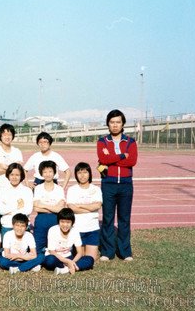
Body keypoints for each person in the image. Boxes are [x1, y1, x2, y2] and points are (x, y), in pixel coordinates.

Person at [97, 109, 138, 262]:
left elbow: (132, 161)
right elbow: (102, 158)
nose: (115, 125)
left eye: (118, 122)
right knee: (108, 218)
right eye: (112, 122)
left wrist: (111, 158)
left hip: (126, 184)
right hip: (108, 183)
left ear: (123, 124)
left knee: (124, 218)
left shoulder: (130, 142)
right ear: (108, 124)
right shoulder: (102, 141)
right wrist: (121, 156)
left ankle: (125, 251)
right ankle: (107, 252)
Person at [67, 162, 102, 260]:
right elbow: (71, 208)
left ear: (90, 174)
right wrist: (90, 209)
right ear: (76, 175)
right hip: (77, 229)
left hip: (92, 228)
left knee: (91, 259)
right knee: (80, 257)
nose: (82, 175)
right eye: (79, 173)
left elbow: (97, 205)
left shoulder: (96, 189)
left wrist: (80, 205)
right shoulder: (72, 189)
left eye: (85, 172)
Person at [43, 208, 95, 275]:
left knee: (90, 259)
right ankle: (69, 267)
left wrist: (72, 262)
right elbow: (52, 251)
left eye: (68, 222)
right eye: (62, 222)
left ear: (72, 223)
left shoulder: (75, 231)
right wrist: (67, 261)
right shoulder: (52, 230)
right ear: (58, 221)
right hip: (56, 257)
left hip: (69, 257)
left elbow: (80, 252)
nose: (65, 225)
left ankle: (64, 270)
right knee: (50, 260)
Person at [33, 160, 66, 255]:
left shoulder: (59, 189)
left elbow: (60, 209)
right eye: (45, 172)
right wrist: (53, 207)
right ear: (41, 174)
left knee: (55, 244)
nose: (48, 174)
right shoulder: (38, 188)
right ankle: (38, 260)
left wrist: (43, 205)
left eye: (50, 171)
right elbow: (36, 208)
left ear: (54, 173)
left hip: (55, 219)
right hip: (41, 219)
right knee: (39, 244)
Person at [0, 163, 33, 239]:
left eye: (17, 175)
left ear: (21, 176)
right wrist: (18, 206)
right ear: (8, 175)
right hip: (7, 226)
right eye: (12, 174)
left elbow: (28, 210)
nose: (14, 177)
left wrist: (8, 210)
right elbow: (0, 210)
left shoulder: (27, 191)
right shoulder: (2, 191)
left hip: (23, 227)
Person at [0, 123, 23, 190]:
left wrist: (3, 166)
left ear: (13, 136)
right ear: (0, 136)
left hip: (16, 186)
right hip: (0, 186)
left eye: (9, 135)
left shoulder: (17, 151)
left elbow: (19, 170)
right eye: (4, 135)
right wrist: (13, 168)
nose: (7, 137)